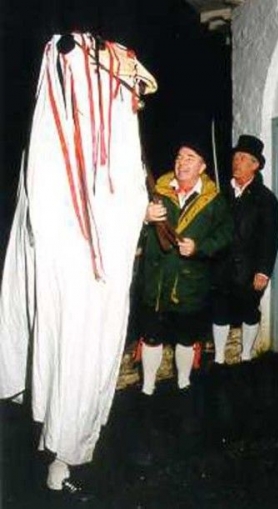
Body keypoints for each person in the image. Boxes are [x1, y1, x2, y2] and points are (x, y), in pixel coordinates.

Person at [0, 33, 157, 500]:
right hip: (73, 269)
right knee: (69, 347)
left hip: (96, 279)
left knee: (84, 351)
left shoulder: (117, 155)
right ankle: (62, 450)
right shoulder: (55, 152)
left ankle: (66, 445)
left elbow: (146, 83)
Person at [137, 139, 233, 397]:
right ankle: (147, 387)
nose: (182, 163)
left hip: (190, 283)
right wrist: (144, 218)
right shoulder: (155, 190)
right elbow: (128, 224)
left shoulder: (213, 200)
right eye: (179, 157)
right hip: (155, 281)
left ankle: (183, 382)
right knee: (151, 337)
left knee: (186, 338)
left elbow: (226, 234)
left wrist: (199, 247)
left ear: (202, 166)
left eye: (190, 158)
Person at [211, 134, 278, 364]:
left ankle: (246, 355)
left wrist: (263, 270)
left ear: (255, 165)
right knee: (219, 311)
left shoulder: (266, 199)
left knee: (250, 311)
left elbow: (270, 238)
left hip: (249, 270)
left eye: (243, 158)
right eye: (235, 157)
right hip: (221, 267)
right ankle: (219, 358)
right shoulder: (221, 194)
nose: (236, 161)